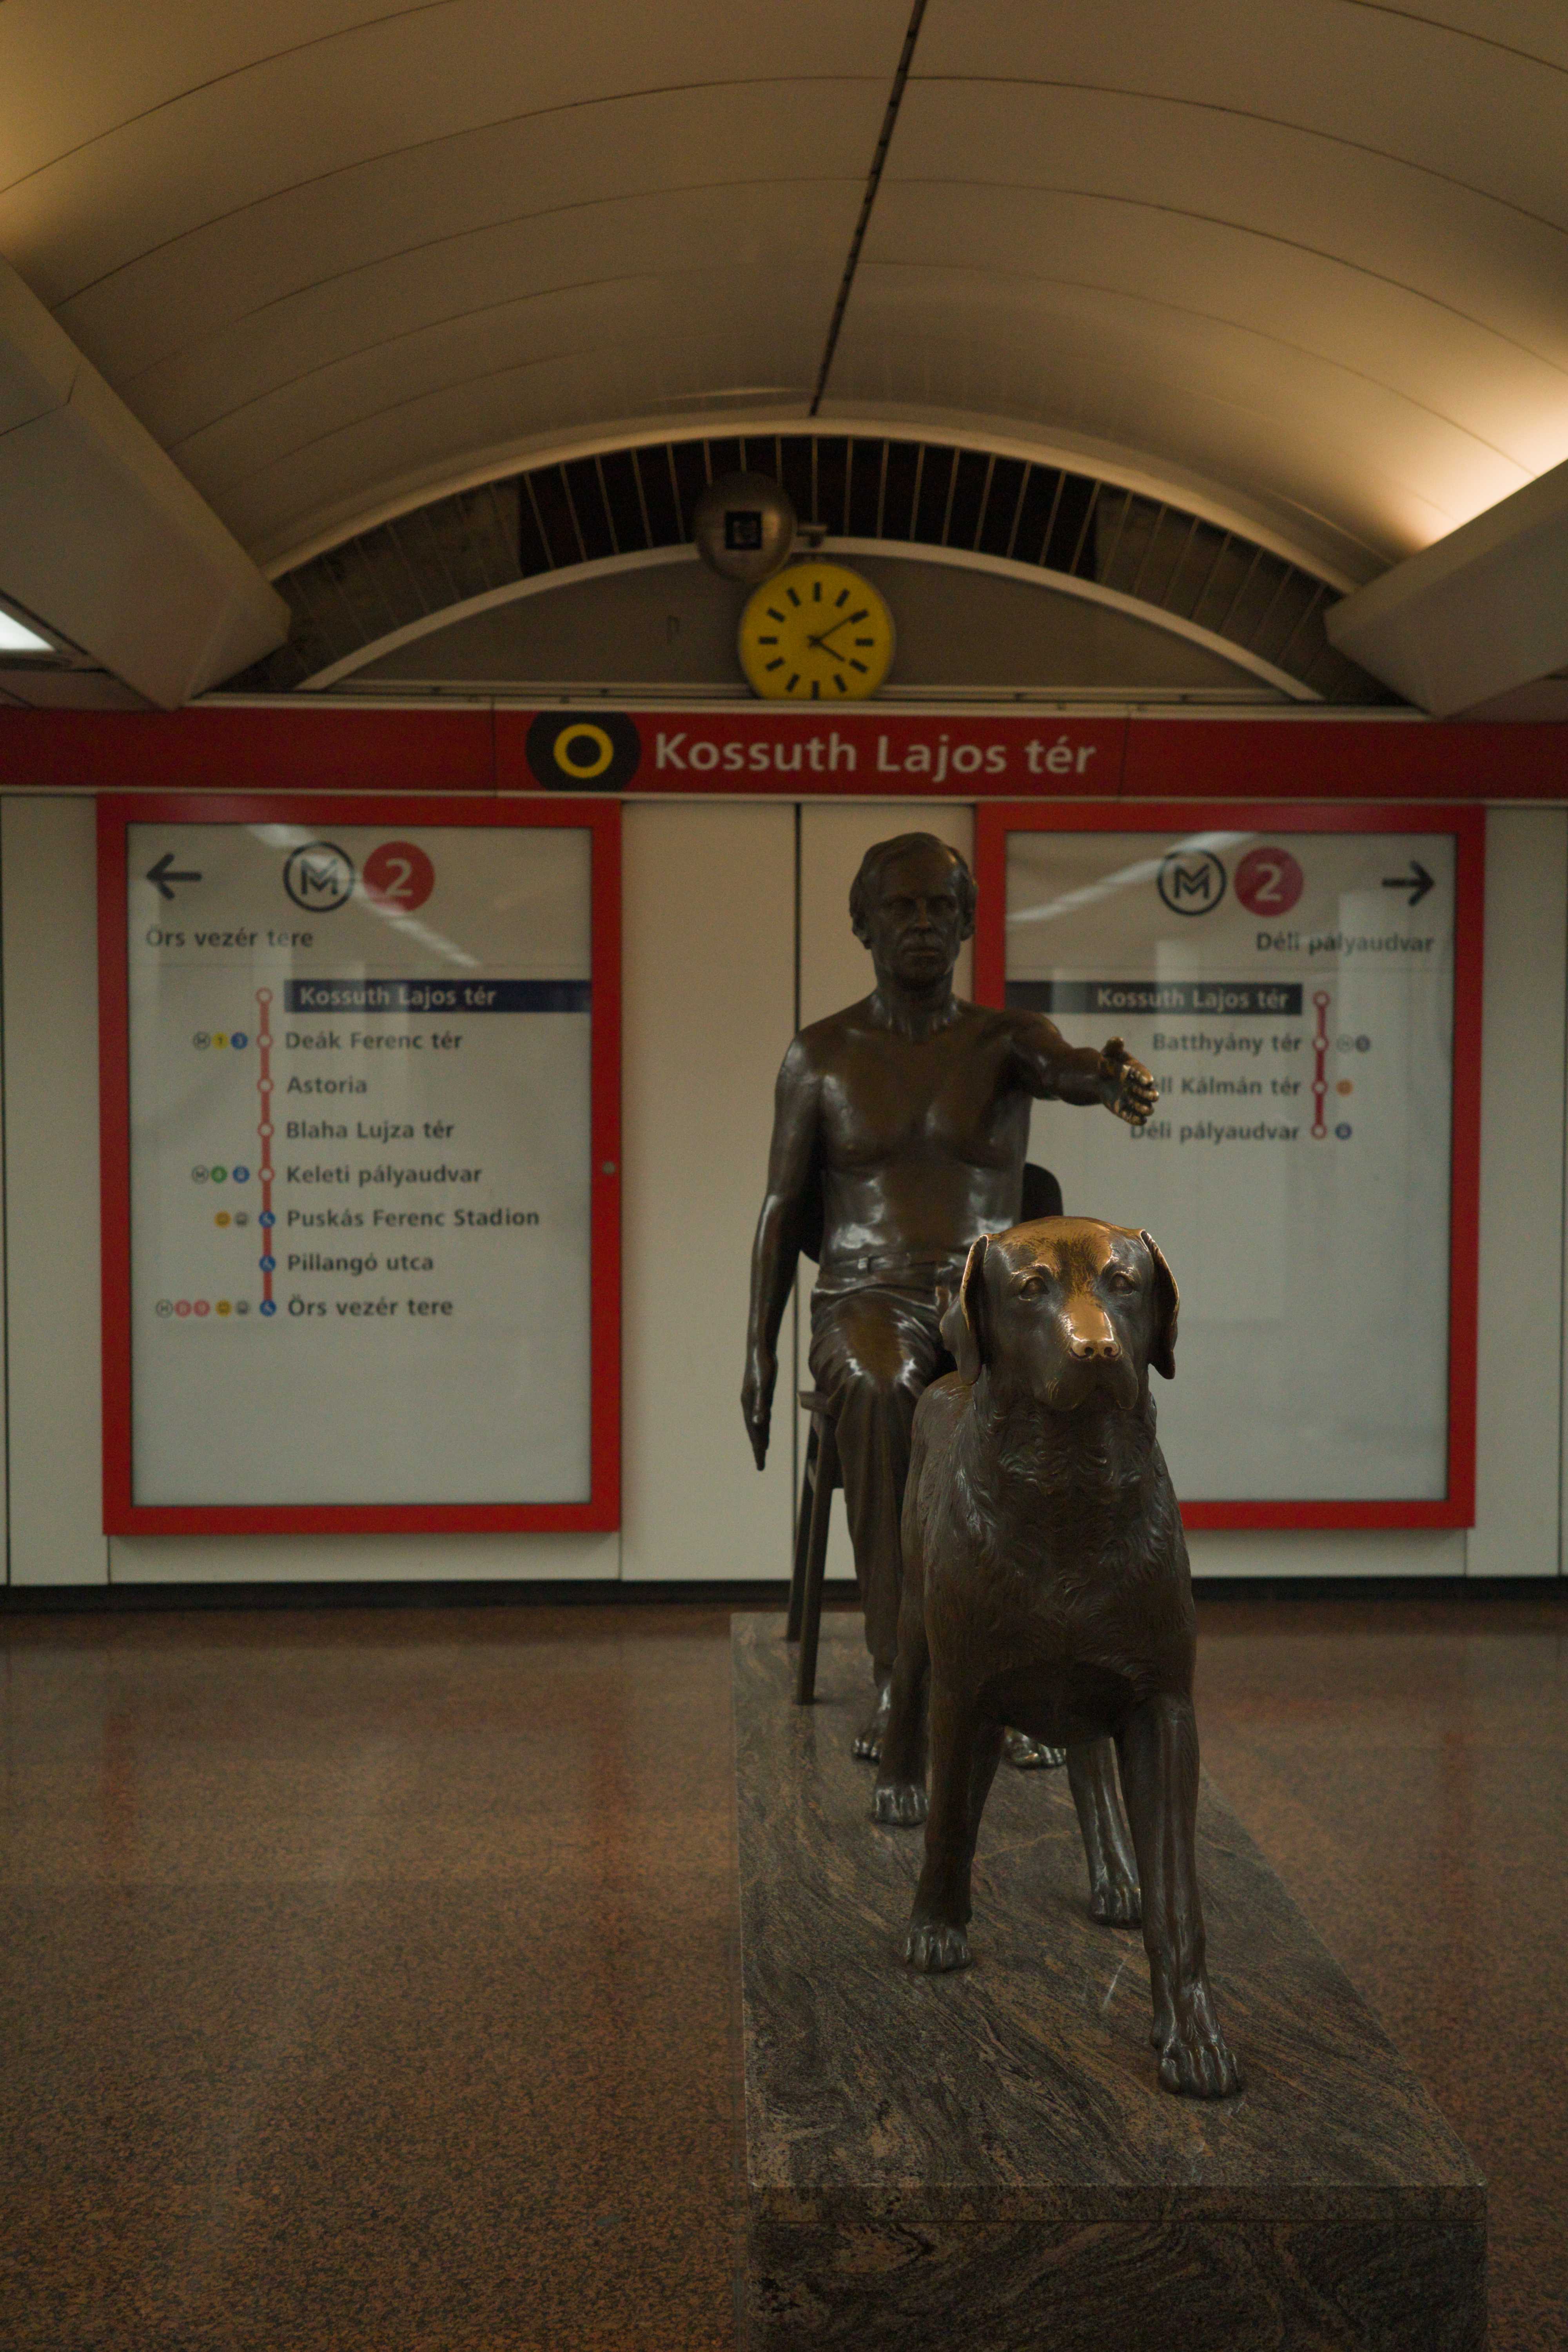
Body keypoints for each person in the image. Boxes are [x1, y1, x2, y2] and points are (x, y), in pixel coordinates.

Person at [741, 831, 1158, 1760]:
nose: (921, 923)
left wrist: (1107, 1075)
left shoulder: (1004, 1043)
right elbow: (779, 1210)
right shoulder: (818, 1056)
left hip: (986, 1303)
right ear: (863, 924)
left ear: (967, 923)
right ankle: (902, 1678)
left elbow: (1067, 1067)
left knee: (1057, 1383)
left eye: (939, 907)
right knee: (884, 1384)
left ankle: (1021, 1679)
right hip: (864, 1298)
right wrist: (758, 1352)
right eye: (901, 906)